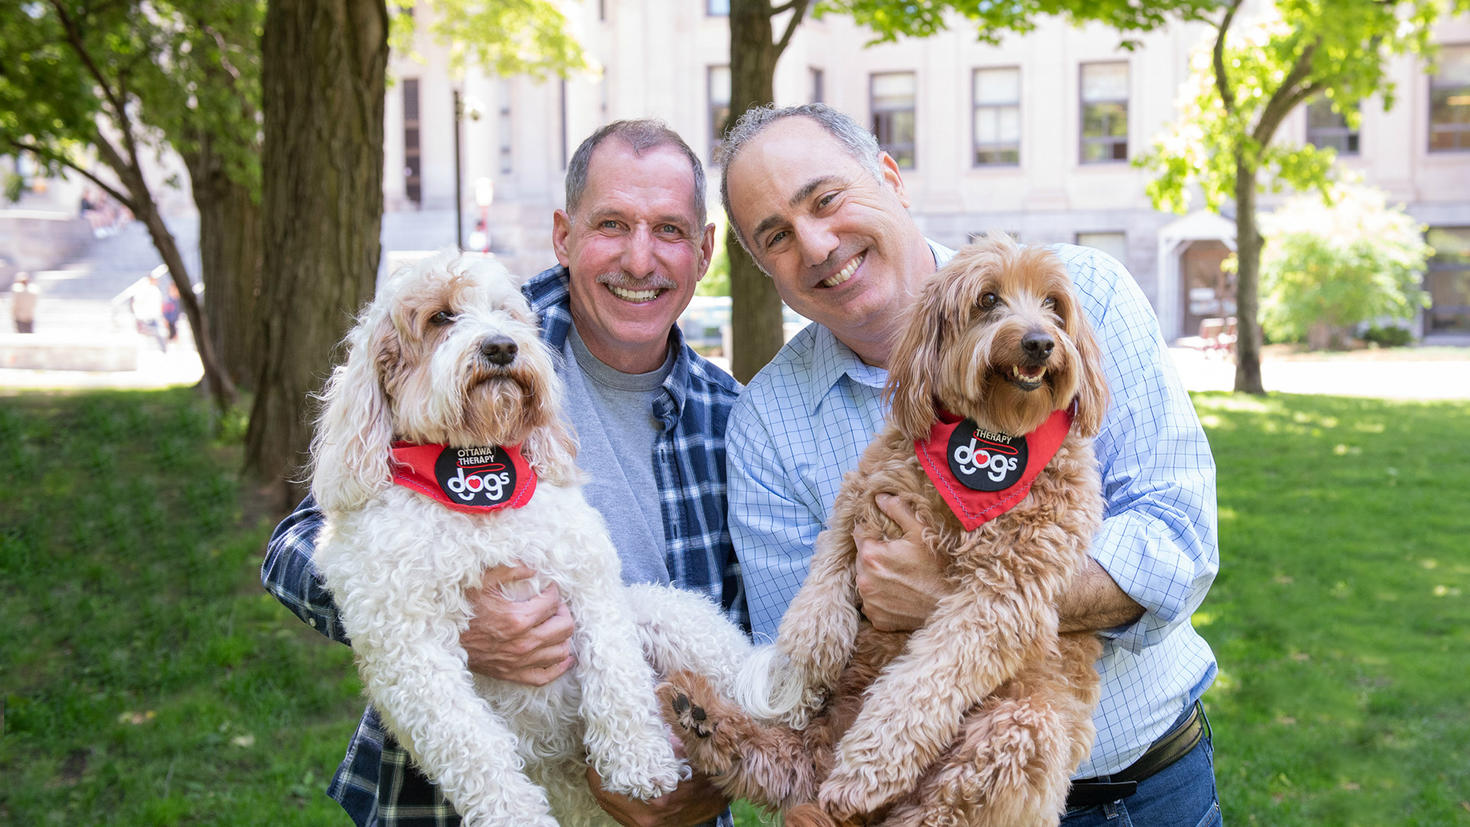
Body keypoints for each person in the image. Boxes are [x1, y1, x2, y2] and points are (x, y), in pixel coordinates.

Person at [717, 103, 1220, 826]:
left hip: (1140, 793)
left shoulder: (1086, 296)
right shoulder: (769, 422)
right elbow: (804, 664)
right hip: (917, 804)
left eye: (825, 199)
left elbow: (1179, 542)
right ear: (763, 266)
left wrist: (958, 598)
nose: (819, 244)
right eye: (778, 236)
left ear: (890, 178)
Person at [262, 120, 744, 827]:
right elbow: (295, 547)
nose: (640, 260)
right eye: (612, 224)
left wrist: (713, 776)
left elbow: (757, 642)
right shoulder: (473, 348)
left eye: (669, 230)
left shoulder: (732, 419)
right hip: (443, 805)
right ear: (564, 234)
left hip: (662, 788)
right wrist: (436, 624)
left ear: (703, 250)